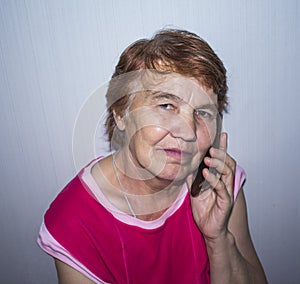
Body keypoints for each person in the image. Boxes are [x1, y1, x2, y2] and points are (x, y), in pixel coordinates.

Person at [38, 29, 267, 283]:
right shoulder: (75, 223)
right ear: (121, 113)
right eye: (166, 105)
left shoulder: (216, 184)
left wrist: (219, 238)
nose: (188, 132)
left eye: (203, 112)